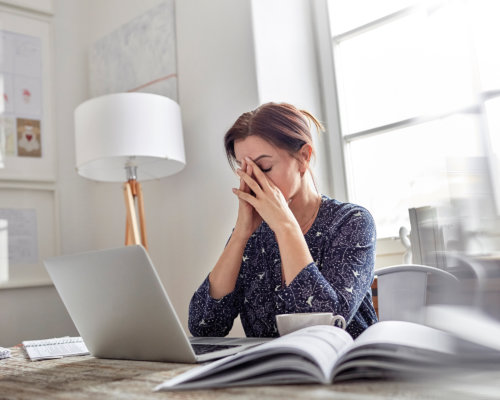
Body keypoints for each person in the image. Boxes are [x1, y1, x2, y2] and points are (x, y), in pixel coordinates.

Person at [189, 102, 377, 339]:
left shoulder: (352, 222)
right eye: (244, 170)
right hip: (271, 372)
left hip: (343, 370)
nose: (253, 181)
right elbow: (204, 327)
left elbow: (326, 324)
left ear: (303, 157)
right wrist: (240, 235)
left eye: (264, 167)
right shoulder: (252, 235)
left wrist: (285, 227)